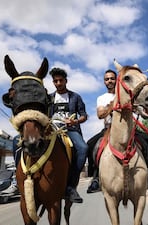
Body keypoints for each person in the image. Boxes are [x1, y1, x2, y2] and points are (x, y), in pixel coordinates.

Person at [86, 69, 148, 194]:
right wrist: (114, 104)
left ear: (117, 80)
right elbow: (100, 114)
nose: (110, 81)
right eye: (107, 79)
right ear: (104, 82)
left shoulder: (129, 93)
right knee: (91, 144)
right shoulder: (102, 98)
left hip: (129, 129)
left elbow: (137, 108)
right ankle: (95, 178)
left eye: (112, 78)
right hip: (109, 129)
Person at [48, 67, 88, 203]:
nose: (58, 83)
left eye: (60, 80)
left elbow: (84, 115)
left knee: (83, 148)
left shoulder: (75, 97)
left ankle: (71, 186)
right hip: (52, 130)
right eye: (55, 81)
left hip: (70, 130)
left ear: (66, 81)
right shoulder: (50, 98)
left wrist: (75, 121)